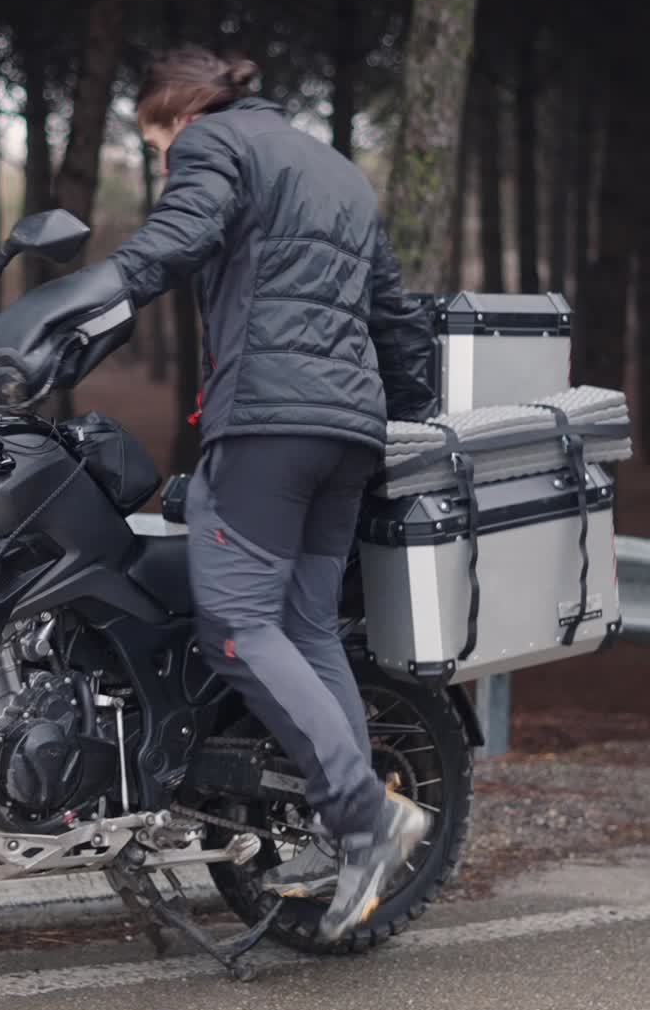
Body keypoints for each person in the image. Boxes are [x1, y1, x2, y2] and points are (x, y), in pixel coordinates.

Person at [111, 46, 435, 942]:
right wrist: (410, 417)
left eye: (155, 138)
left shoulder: (214, 144)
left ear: (178, 112)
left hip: (269, 425)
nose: (163, 155)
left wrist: (89, 299)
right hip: (348, 433)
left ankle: (366, 816)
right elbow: (394, 314)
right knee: (304, 626)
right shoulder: (334, 168)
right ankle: (350, 830)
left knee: (234, 627)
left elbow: (180, 239)